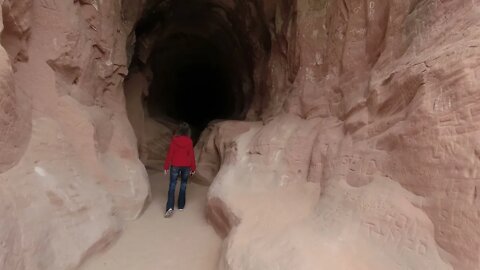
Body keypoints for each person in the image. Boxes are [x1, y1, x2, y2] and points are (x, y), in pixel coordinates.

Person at [163, 122, 196, 218]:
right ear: (188, 132)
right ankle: (181, 205)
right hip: (186, 166)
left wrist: (166, 167)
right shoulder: (189, 141)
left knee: (172, 185)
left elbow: (170, 154)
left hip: (175, 165)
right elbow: (191, 156)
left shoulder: (174, 141)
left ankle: (169, 207)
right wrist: (193, 168)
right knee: (183, 185)